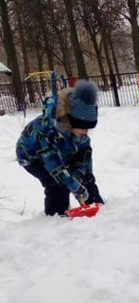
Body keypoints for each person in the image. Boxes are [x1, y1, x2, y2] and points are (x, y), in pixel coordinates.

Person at [16, 79, 103, 216]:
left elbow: (84, 154)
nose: (86, 131)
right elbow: (55, 168)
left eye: (89, 127)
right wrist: (74, 185)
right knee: (57, 184)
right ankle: (57, 217)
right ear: (71, 121)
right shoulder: (45, 131)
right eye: (83, 127)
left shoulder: (79, 131)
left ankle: (97, 208)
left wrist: (79, 175)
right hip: (33, 157)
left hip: (64, 149)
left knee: (85, 177)